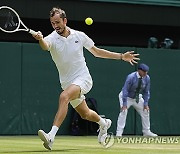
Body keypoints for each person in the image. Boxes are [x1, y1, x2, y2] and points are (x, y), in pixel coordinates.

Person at [32, 7, 139, 150]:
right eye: (52, 23)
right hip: (67, 83)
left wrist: (120, 56)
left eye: (58, 22)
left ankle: (51, 136)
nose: (55, 26)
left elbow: (97, 52)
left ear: (65, 20)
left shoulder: (79, 36)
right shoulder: (52, 38)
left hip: (83, 79)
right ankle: (103, 123)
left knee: (64, 97)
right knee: (85, 114)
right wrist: (40, 39)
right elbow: (45, 46)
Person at [116, 63, 158, 137]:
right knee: (123, 111)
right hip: (126, 97)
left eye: (146, 71)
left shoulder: (147, 78)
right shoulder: (131, 77)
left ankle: (146, 131)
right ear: (139, 70)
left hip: (137, 97)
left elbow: (146, 91)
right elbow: (125, 90)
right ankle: (119, 133)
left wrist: (145, 104)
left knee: (146, 110)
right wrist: (124, 104)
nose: (145, 73)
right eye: (144, 71)